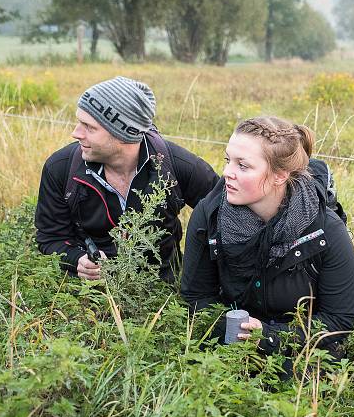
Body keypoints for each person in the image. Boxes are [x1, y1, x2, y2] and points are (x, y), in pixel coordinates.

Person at [181, 116, 354, 368]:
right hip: (229, 345)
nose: (227, 173)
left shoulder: (325, 230)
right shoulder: (209, 214)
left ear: (279, 176)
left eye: (243, 166)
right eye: (227, 160)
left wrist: (269, 337)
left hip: (302, 350)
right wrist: (233, 333)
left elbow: (338, 321)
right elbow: (196, 296)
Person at [35, 76, 219, 282]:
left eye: (89, 127)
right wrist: (77, 260)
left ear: (123, 134)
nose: (75, 133)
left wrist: (201, 279)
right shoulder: (60, 167)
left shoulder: (179, 166)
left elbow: (227, 221)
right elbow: (50, 238)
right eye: (79, 122)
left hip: (165, 293)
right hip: (87, 297)